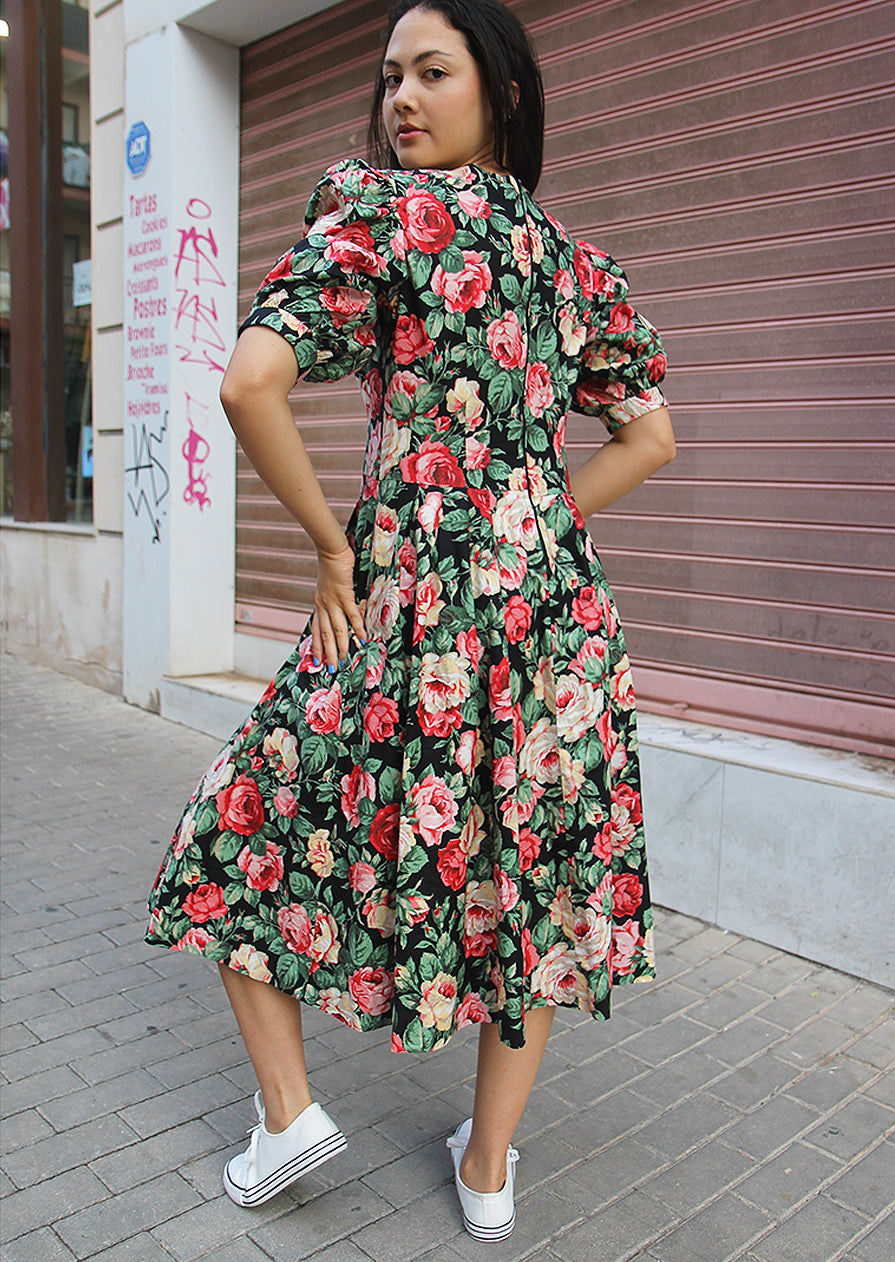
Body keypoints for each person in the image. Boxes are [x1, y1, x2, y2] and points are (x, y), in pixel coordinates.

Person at [145, 0, 675, 1241]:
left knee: (233, 829)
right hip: (555, 625)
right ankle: (486, 1166)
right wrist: (533, 517)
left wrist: (334, 544)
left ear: (497, 86)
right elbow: (648, 433)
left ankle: (288, 1116)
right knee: (528, 890)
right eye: (390, 77)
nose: (401, 100)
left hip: (408, 604)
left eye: (431, 73)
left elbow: (247, 377)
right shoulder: (574, 260)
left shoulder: (384, 216)